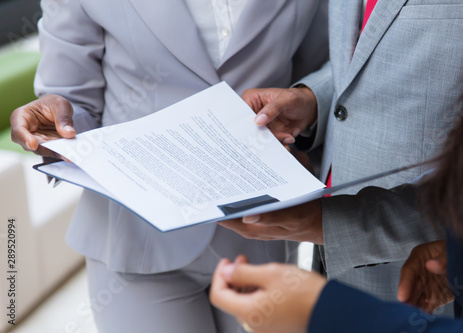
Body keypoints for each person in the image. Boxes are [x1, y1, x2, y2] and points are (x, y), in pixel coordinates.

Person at [9, 1, 328, 332]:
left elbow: (325, 80)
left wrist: (305, 121)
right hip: (135, 236)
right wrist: (57, 127)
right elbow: (73, 101)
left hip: (263, 229)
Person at [210, 31, 463, 332]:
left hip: (418, 286)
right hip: (426, 272)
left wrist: (320, 307)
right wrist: (313, 100)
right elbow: (360, 54)